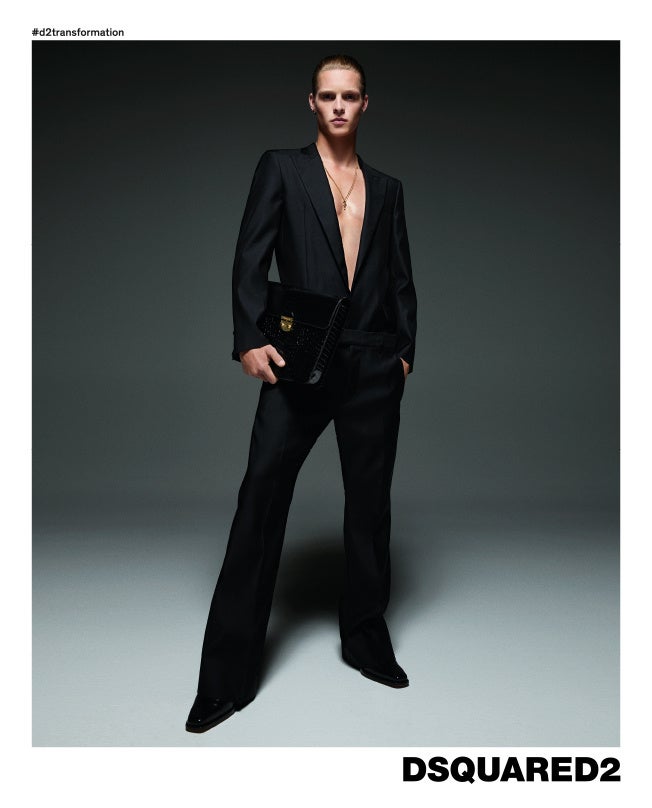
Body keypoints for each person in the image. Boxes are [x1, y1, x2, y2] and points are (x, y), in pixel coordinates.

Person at [185, 54, 417, 733]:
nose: (339, 105)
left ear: (365, 105)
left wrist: (404, 351)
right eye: (328, 95)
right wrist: (248, 339)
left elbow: (400, 275)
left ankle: (365, 638)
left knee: (370, 507)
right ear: (311, 103)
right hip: (300, 361)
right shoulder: (281, 168)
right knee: (260, 500)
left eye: (350, 96)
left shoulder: (388, 188)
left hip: (373, 363)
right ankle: (225, 677)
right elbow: (249, 256)